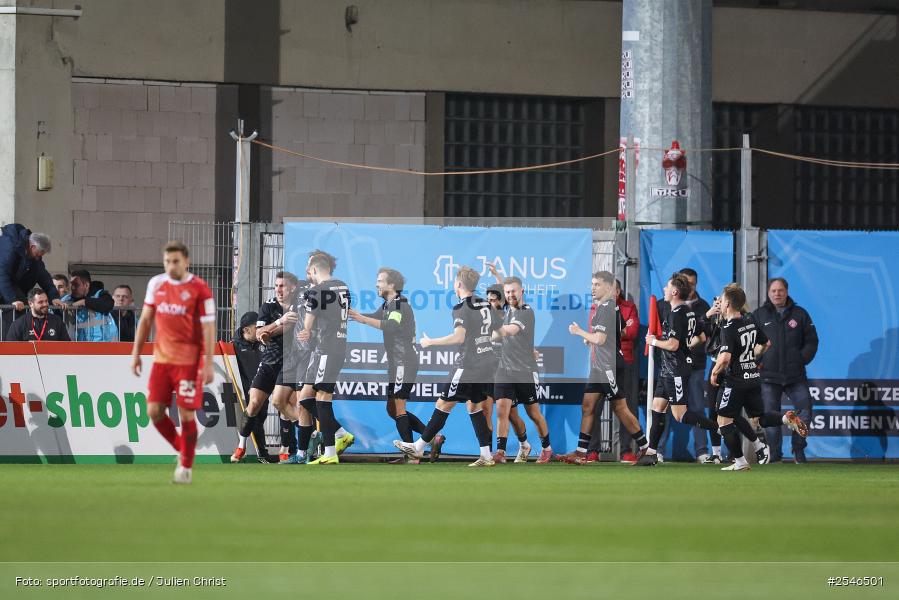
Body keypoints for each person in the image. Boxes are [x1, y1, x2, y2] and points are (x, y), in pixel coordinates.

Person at [394, 266, 497, 467]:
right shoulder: (485, 303)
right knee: (474, 406)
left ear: (458, 284)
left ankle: (419, 447)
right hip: (486, 362)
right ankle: (486, 455)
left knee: (443, 404)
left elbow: (459, 337)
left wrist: (430, 342)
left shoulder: (461, 307)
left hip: (469, 364)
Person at [130, 240, 215, 484]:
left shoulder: (200, 289)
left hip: (189, 363)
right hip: (162, 361)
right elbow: (146, 320)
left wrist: (208, 362)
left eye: (175, 261)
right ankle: (184, 449)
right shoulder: (156, 284)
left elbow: (208, 328)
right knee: (154, 411)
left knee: (186, 414)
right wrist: (136, 353)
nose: (170, 266)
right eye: (167, 261)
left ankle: (185, 468)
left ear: (186, 261)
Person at [710, 284, 808, 471]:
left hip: (735, 381)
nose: (719, 303)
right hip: (753, 377)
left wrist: (714, 373)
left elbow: (725, 358)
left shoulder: (728, 327)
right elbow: (766, 343)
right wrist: (750, 358)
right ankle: (785, 419)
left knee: (723, 422)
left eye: (721, 301)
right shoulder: (750, 321)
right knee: (760, 418)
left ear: (728, 304)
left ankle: (740, 462)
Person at [562, 271, 649, 465]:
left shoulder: (607, 308)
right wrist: (592, 338)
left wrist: (579, 332)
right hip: (599, 365)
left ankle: (645, 448)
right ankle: (581, 452)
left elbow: (600, 339)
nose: (593, 288)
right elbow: (617, 332)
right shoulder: (609, 307)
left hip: (609, 366)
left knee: (620, 408)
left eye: (597, 284)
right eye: (592, 284)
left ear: (609, 287)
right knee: (588, 406)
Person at [349, 267, 435, 464]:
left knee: (399, 406)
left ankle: (413, 454)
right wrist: (352, 315)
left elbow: (392, 326)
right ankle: (430, 438)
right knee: (392, 409)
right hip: (397, 363)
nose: (376, 284)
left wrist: (363, 319)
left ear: (392, 285)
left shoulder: (398, 304)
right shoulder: (388, 304)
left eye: (380, 281)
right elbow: (376, 316)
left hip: (404, 361)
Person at [637, 273, 718, 466]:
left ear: (674, 292)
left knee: (680, 415)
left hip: (676, 371)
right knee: (657, 408)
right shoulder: (688, 312)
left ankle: (720, 428)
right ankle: (651, 453)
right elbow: (701, 337)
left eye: (667, 287)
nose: (664, 290)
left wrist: (654, 341)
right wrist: (685, 346)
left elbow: (673, 345)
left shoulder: (676, 314)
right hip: (668, 369)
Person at [231, 272, 300, 463]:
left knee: (285, 404)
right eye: (276, 286)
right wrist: (277, 322)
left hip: (291, 362)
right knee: (253, 403)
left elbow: (286, 329)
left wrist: (270, 330)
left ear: (292, 288)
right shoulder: (268, 306)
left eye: (282, 286)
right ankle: (241, 446)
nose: (278, 290)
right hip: (270, 361)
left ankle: (288, 448)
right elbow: (260, 333)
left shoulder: (299, 305)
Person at [297, 250, 354, 465]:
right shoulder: (343, 287)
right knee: (305, 398)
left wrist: (306, 330)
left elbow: (307, 325)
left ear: (314, 270)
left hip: (327, 349)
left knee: (322, 398)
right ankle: (341, 433)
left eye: (308, 271)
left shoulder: (317, 291)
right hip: (334, 347)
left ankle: (330, 453)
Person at [753, 278, 818, 463]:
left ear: (787, 291)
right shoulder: (759, 315)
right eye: (773, 290)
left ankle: (798, 450)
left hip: (795, 375)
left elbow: (812, 341)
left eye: (780, 290)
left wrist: (800, 360)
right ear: (768, 293)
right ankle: (774, 455)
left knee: (805, 411)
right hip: (768, 376)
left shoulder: (800, 314)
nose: (777, 294)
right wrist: (758, 361)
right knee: (770, 415)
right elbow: (750, 342)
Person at [491, 276, 554, 464]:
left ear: (522, 292)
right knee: (503, 411)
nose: (510, 295)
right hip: (504, 369)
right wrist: (497, 274)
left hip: (525, 371)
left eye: (514, 291)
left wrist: (488, 335)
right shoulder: (508, 307)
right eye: (507, 292)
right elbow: (505, 287)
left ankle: (546, 449)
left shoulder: (525, 312)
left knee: (533, 413)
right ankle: (501, 452)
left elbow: (510, 330)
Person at [587, 279, 640, 463]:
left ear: (617, 291)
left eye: (613, 289)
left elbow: (631, 332)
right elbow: (595, 334)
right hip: (599, 364)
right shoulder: (596, 307)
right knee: (593, 407)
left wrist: (606, 333)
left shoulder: (628, 307)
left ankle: (627, 450)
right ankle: (592, 450)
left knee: (624, 407)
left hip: (623, 363)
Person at [0, 224, 62, 339]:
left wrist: (54, 297)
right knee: (14, 307)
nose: (40, 257)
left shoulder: (33, 258)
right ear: (32, 247)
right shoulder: (10, 248)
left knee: (20, 308)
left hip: (10, 283)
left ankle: (13, 342)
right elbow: (2, 275)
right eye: (39, 253)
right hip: (3, 279)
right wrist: (12, 299)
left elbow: (43, 276)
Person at [679, 268, 714, 462]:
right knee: (663, 408)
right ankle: (657, 451)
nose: (689, 287)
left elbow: (705, 335)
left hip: (696, 366)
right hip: (672, 367)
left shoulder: (704, 306)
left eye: (692, 284)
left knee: (698, 407)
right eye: (686, 283)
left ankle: (702, 451)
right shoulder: (666, 303)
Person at [233, 311, 276, 463]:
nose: (260, 330)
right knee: (253, 418)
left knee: (260, 418)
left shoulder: (263, 343)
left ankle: (261, 452)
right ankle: (259, 452)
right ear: (246, 329)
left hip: (261, 387)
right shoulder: (233, 346)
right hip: (243, 390)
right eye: (256, 327)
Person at [62, 269, 118, 341]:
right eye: (71, 284)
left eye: (76, 284)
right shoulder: (67, 298)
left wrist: (84, 302)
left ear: (86, 285)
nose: (72, 287)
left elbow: (108, 304)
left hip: (100, 344)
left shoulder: (99, 295)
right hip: (78, 344)